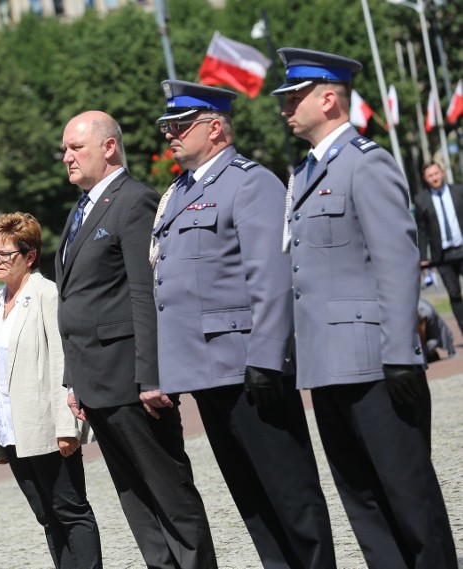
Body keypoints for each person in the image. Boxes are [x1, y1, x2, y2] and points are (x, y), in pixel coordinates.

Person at [272, 47, 456, 568]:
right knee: (364, 504)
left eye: (294, 96)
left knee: (410, 499)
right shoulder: (305, 173)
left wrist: (401, 350)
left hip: (377, 364)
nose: (284, 107)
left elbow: (396, 261)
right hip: (328, 366)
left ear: (329, 98)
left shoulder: (367, 163)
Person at [148, 80, 335, 569]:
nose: (170, 134)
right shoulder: (181, 192)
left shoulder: (249, 182)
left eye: (180, 125)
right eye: (167, 125)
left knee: (291, 496)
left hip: (251, 371)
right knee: (252, 502)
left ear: (214, 128)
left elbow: (271, 281)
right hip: (207, 373)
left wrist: (268, 359)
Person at [56, 110, 216, 569]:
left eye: (76, 147)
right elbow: (77, 300)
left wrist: (152, 375)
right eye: (65, 149)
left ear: (108, 148)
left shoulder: (135, 201)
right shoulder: (81, 208)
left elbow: (146, 294)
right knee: (138, 506)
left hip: (133, 382)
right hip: (96, 384)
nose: (67, 157)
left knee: (171, 499)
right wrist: (74, 381)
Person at [0, 212, 102, 569]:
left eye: (4, 254)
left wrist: (68, 426)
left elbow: (63, 361)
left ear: (30, 255)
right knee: (46, 515)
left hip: (47, 427)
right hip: (13, 432)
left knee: (71, 510)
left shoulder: (46, 293)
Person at [413, 161, 463, 335]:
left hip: (462, 247)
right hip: (442, 255)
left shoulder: (459, 191)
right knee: (454, 294)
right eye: (430, 175)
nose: (434, 178)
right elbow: (422, 230)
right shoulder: (421, 200)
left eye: (436, 173)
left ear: (442, 172)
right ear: (425, 179)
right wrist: (422, 257)